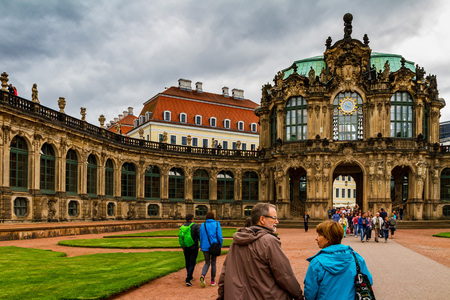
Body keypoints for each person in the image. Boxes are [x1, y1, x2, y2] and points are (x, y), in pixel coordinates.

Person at [217, 203, 303, 300]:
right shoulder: (269, 241)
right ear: (262, 219)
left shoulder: (236, 242)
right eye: (274, 218)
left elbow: (224, 274)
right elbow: (284, 275)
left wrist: (221, 296)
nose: (277, 221)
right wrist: (298, 295)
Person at [304, 220, 373, 300]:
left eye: (319, 235)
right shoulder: (356, 257)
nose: (316, 238)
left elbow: (310, 293)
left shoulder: (317, 262)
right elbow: (369, 281)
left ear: (327, 239)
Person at [200, 211, 223, 288]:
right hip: (214, 246)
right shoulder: (216, 224)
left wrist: (201, 246)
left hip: (205, 246)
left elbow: (201, 237)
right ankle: (212, 281)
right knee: (213, 263)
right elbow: (219, 236)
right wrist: (220, 245)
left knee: (207, 262)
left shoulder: (203, 225)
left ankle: (202, 275)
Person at [180, 213, 200, 286]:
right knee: (192, 261)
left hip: (185, 246)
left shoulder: (183, 226)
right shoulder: (195, 226)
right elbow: (199, 235)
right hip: (193, 247)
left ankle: (190, 275)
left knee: (187, 261)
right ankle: (188, 278)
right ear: (192, 218)